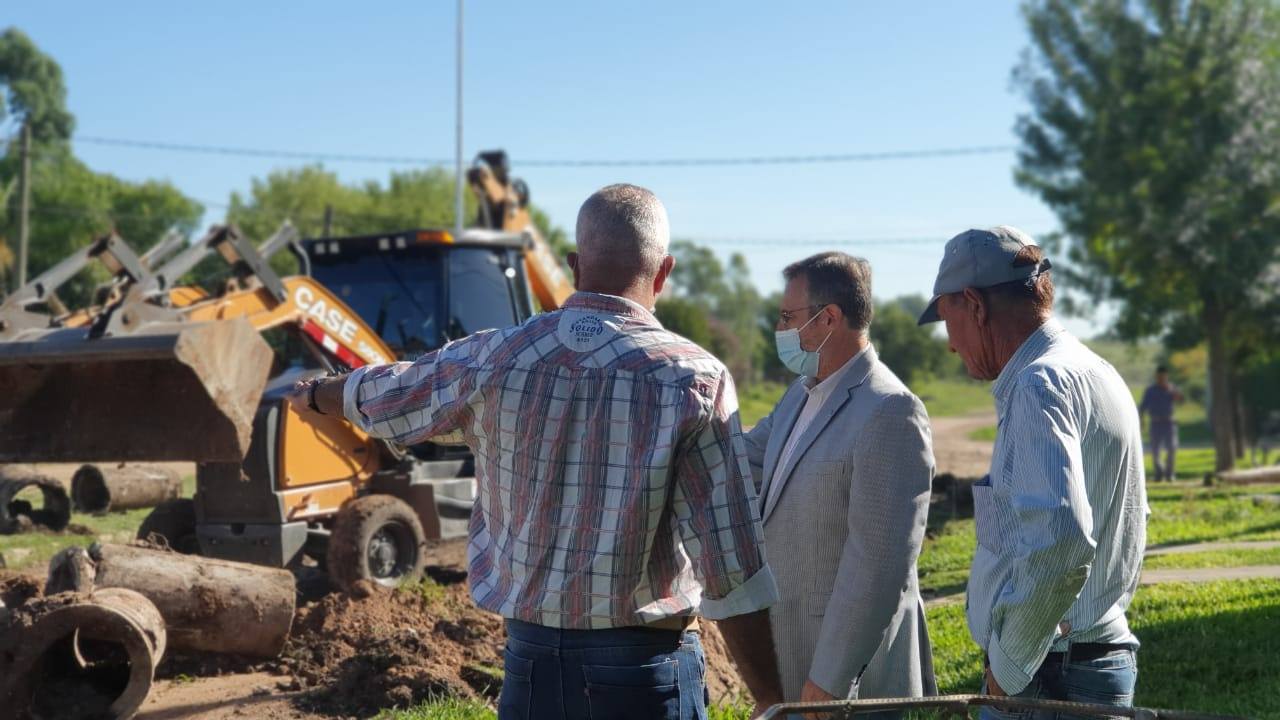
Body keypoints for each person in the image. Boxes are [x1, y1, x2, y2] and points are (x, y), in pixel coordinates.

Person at [290, 184, 784, 719]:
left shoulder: (493, 358)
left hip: (530, 665)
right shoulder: (694, 379)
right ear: (663, 272)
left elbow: (395, 391)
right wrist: (772, 698)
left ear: (574, 266)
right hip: (642, 671)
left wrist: (317, 394)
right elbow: (730, 568)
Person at [919, 226, 1148, 719]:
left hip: (1049, 675)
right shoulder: (1094, 370)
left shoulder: (1037, 385)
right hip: (1087, 660)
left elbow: (1059, 540)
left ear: (974, 305)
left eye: (947, 319)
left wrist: (1007, 669)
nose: (951, 344)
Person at [738, 252, 937, 710]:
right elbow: (744, 458)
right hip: (796, 659)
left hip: (845, 681)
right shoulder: (801, 394)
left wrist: (831, 680)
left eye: (788, 317)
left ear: (828, 318)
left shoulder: (889, 409)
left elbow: (880, 564)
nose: (779, 328)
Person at [1139, 366, 1183, 482]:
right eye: (1159, 377)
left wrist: (1174, 393)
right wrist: (1141, 421)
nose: (1161, 379)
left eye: (1164, 377)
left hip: (1169, 423)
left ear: (1167, 376)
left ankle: (1169, 474)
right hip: (1155, 423)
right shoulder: (1150, 391)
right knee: (1155, 450)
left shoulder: (1171, 388)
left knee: (1172, 448)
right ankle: (1159, 473)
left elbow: (1181, 400)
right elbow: (1142, 407)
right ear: (1156, 376)